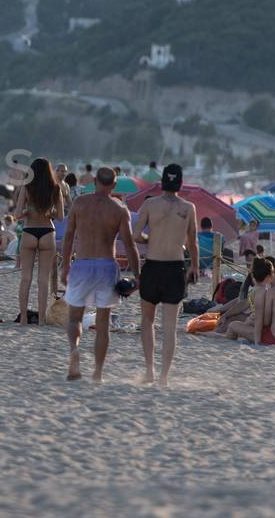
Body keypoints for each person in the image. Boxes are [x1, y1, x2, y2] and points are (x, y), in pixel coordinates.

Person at [60, 167, 139, 383]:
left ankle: (74, 351)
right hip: (106, 266)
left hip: (82, 264)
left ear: (94, 181)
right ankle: (97, 373)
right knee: (103, 324)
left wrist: (65, 266)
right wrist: (137, 275)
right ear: (113, 185)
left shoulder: (80, 203)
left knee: (75, 317)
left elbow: (68, 238)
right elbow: (130, 246)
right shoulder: (119, 209)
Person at [132, 163, 198, 386]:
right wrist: (195, 267)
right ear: (180, 183)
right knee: (169, 327)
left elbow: (135, 234)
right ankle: (163, 377)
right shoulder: (189, 208)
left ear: (162, 182)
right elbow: (193, 242)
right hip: (175, 267)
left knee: (147, 321)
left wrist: (151, 239)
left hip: (153, 265)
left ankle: (149, 370)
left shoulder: (150, 204)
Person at [14, 158, 64, 324]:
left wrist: (30, 211)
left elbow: (17, 214)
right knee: (43, 279)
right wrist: (48, 211)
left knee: (25, 278)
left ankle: (23, 318)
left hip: (29, 231)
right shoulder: (55, 188)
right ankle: (42, 319)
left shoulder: (27, 187)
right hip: (47, 232)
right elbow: (60, 216)